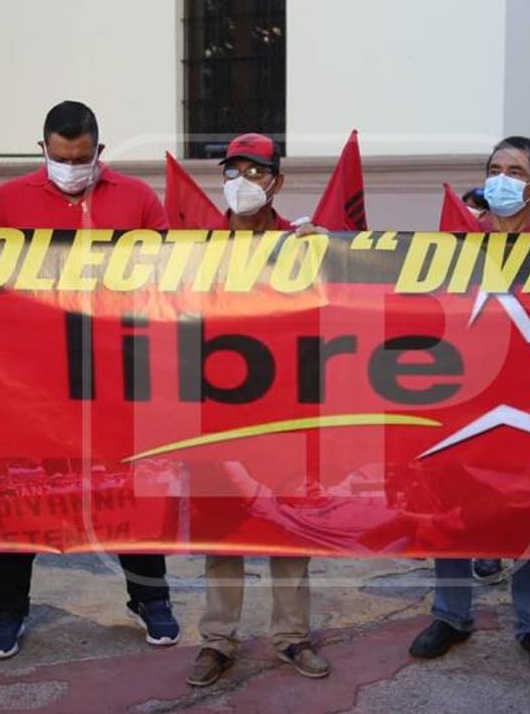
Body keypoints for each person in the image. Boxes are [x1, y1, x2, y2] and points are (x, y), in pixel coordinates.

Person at [0, 101, 177, 660]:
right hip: (32, 382)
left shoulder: (137, 198)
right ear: (42, 150)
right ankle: (8, 606)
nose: (71, 168)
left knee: (129, 488)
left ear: (99, 151)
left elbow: (170, 280)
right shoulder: (6, 201)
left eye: (81, 158)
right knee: (22, 492)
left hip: (116, 376)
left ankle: (150, 597)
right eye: (61, 158)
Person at [407, 136, 530, 676]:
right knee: (456, 509)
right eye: (495, 168)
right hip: (464, 399)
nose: (502, 179)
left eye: (516, 171)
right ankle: (450, 616)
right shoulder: (454, 247)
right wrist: (320, 245)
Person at [186, 133, 332, 688]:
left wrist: (330, 253)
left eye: (255, 172)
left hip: (284, 410)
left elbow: (341, 306)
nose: (242, 183)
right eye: (233, 172)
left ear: (277, 181)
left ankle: (292, 635)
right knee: (222, 529)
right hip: (217, 407)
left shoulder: (302, 243)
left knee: (288, 526)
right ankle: (217, 640)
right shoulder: (197, 247)